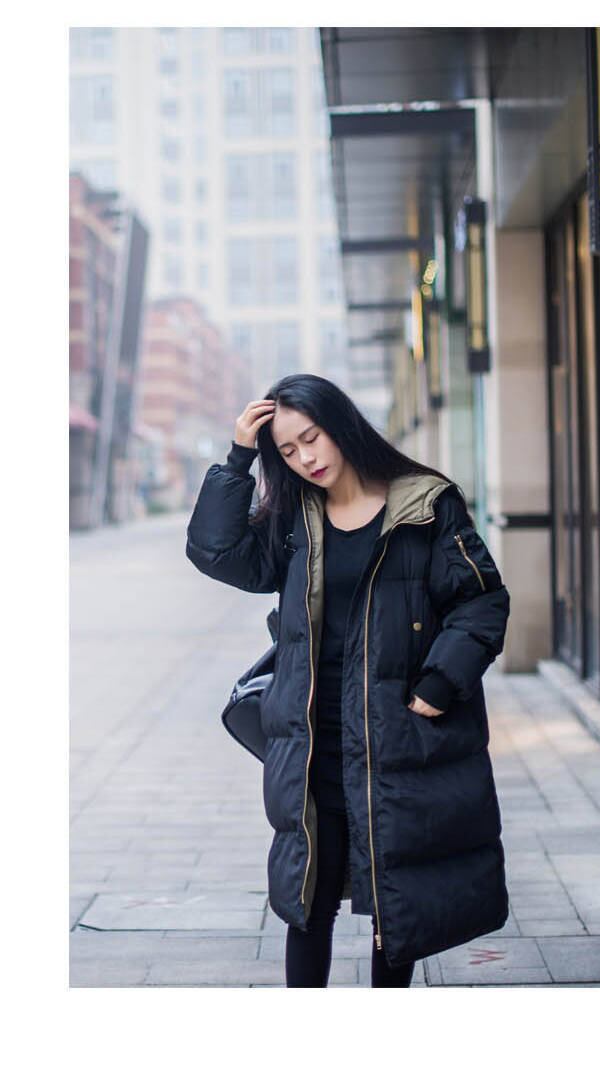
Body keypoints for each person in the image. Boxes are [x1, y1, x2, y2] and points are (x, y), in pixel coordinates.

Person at [186, 374, 511, 987]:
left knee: (398, 899)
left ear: (341, 424)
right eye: (287, 450)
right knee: (308, 901)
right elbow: (216, 554)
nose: (305, 458)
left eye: (311, 438)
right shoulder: (293, 518)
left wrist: (441, 682)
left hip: (397, 733)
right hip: (314, 741)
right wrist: (237, 459)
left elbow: (481, 599)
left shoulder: (424, 505)